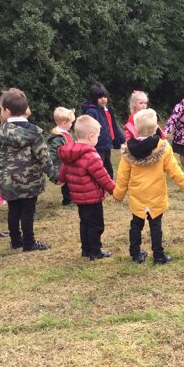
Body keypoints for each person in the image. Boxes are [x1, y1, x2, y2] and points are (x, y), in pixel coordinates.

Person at [113, 109, 184, 264]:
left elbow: (123, 175)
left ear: (136, 129)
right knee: (156, 227)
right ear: (155, 129)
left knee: (136, 224)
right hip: (156, 195)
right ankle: (158, 255)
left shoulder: (127, 150)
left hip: (138, 196)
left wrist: (118, 194)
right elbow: (175, 172)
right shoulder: (163, 148)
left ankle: (135, 254)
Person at [0, 87, 57, 251]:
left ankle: (15, 241)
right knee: (27, 211)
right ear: (25, 109)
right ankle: (28, 243)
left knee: (13, 210)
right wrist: (54, 175)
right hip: (30, 181)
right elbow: (43, 156)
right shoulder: (34, 131)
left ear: (7, 110)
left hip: (8, 180)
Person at [57, 116, 116, 260]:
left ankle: (86, 249)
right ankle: (95, 251)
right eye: (97, 136)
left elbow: (62, 173)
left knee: (84, 223)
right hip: (92, 197)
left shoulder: (70, 154)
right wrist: (114, 190)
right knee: (96, 225)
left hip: (78, 197)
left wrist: (60, 179)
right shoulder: (91, 156)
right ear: (90, 136)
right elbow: (102, 176)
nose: (97, 139)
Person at [81, 82, 124, 179]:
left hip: (106, 145)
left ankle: (107, 184)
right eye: (100, 97)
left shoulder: (107, 110)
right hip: (97, 146)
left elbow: (114, 126)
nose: (103, 99)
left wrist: (122, 139)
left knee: (108, 170)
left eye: (105, 97)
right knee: (97, 169)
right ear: (94, 98)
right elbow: (87, 129)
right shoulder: (91, 112)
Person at [48, 107, 75, 206]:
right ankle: (67, 200)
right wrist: (53, 164)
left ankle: (72, 198)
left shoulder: (65, 134)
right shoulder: (57, 137)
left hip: (69, 162)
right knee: (66, 182)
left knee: (71, 181)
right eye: (71, 122)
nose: (71, 124)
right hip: (62, 164)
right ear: (64, 123)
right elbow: (53, 152)